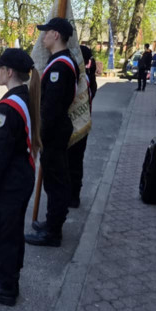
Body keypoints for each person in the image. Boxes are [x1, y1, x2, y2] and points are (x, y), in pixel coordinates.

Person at [0, 48, 40, 306]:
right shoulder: (23, 96)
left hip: (10, 182)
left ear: (9, 72)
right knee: (10, 233)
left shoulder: (8, 108)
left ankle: (6, 289)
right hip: (21, 176)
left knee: (0, 235)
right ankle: (6, 278)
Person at [25, 17, 79, 248]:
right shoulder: (58, 61)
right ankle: (51, 223)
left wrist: (38, 137)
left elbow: (51, 108)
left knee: (56, 183)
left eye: (46, 32)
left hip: (54, 131)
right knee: (53, 181)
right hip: (55, 130)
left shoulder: (60, 65)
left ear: (55, 35)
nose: (42, 36)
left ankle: (53, 232)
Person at [66, 45, 97, 209]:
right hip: (83, 125)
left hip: (75, 125)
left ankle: (72, 196)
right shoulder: (87, 77)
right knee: (76, 163)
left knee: (72, 163)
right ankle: (73, 195)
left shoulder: (82, 79)